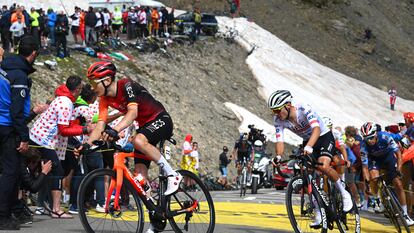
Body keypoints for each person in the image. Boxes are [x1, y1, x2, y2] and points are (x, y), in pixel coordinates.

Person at [79, 61, 182, 194]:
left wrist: (115, 130)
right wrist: (87, 145)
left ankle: (173, 175)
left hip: (161, 119)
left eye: (94, 83)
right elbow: (100, 125)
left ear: (108, 80)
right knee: (139, 178)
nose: (92, 88)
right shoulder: (104, 99)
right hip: (145, 127)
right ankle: (154, 208)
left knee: (137, 141)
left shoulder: (127, 85)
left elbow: (133, 112)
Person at [269, 90, 353, 227]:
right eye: (274, 111)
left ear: (288, 105)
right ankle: (319, 212)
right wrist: (278, 156)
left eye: (278, 110)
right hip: (308, 140)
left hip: (324, 137)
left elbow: (317, 130)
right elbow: (280, 141)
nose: (276, 114)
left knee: (323, 166)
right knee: (306, 175)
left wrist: (308, 147)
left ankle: (344, 193)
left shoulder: (303, 108)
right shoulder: (278, 120)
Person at [30, 76, 93, 219]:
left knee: (49, 170)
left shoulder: (63, 98)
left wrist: (82, 127)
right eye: (81, 89)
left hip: (41, 137)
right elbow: (64, 130)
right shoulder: (66, 102)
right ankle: (56, 209)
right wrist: (85, 130)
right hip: (44, 139)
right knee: (57, 170)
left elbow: (69, 125)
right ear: (77, 90)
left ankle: (43, 205)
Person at [0, 35, 39, 230]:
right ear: (33, 54)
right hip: (8, 128)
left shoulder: (4, 68)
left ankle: (11, 210)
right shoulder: (19, 76)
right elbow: (16, 111)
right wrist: (24, 137)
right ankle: (4, 215)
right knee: (11, 173)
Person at [359, 122, 414, 225]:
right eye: (366, 139)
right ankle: (378, 199)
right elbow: (365, 168)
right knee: (374, 178)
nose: (369, 141)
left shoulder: (385, 136)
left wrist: (399, 169)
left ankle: (405, 214)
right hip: (374, 160)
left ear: (375, 133)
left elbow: (398, 155)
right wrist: (367, 183)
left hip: (388, 157)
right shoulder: (363, 145)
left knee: (398, 184)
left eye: (371, 137)